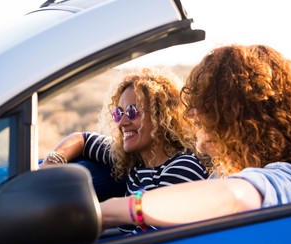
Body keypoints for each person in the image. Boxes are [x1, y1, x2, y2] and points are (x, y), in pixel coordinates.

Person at [100, 44, 291, 230]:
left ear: (236, 114)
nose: (190, 114)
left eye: (202, 105)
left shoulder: (287, 178)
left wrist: (110, 212)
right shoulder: (221, 176)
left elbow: (235, 197)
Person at [40, 68, 209, 233]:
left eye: (132, 112)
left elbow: (151, 241)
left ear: (161, 115)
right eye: (118, 113)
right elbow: (82, 139)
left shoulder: (183, 168)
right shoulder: (133, 159)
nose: (122, 122)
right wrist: (51, 163)